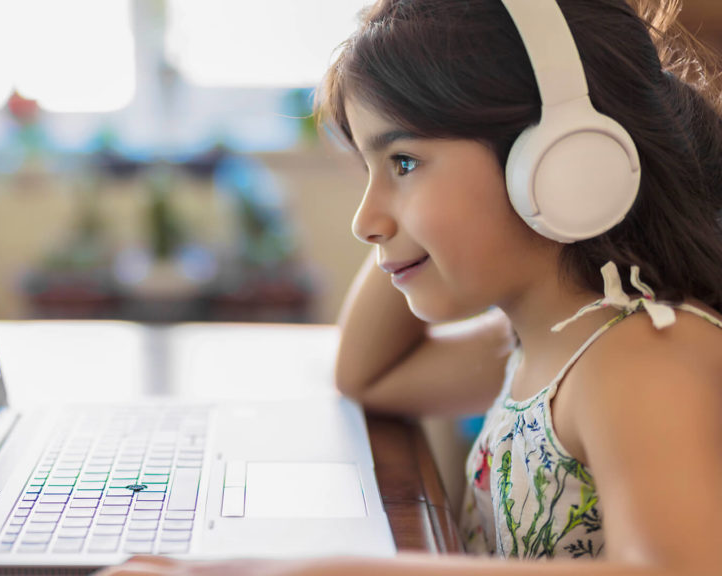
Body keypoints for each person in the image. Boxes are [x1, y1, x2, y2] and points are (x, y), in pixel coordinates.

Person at [97, 0, 722, 574]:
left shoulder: (642, 358)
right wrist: (406, 226)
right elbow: (367, 374)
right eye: (370, 168)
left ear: (555, 162)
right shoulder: (535, 342)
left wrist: (316, 571)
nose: (363, 221)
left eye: (403, 162)